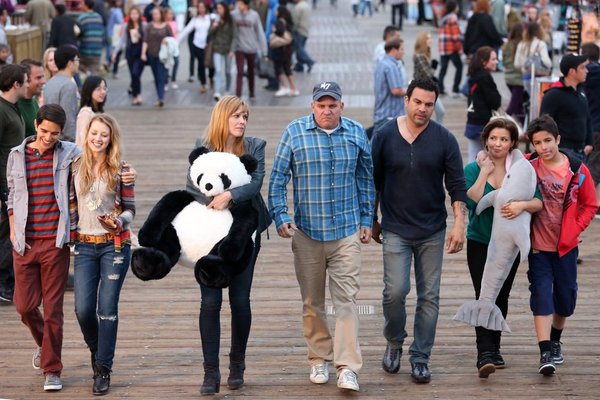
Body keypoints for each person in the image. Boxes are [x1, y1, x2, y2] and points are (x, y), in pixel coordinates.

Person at [268, 81, 375, 392]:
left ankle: (347, 367)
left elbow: (366, 179)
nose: (327, 110)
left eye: (332, 105)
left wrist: (368, 219)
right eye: (321, 105)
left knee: (346, 302)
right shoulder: (294, 132)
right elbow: (278, 179)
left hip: (346, 232)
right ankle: (318, 357)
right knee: (312, 302)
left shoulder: (355, 133)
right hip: (308, 233)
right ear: (312, 106)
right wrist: (281, 215)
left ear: (341, 106)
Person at [371, 78, 467, 384]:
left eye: (429, 104)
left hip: (432, 229)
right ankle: (394, 341)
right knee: (395, 292)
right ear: (406, 100)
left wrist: (459, 224)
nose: (423, 109)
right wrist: (370, 219)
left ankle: (421, 357)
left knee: (429, 297)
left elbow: (456, 187)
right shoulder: (384, 135)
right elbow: (372, 180)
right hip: (395, 227)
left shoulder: (444, 139)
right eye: (418, 102)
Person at [184, 95, 270, 394]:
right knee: (210, 302)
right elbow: (189, 187)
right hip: (209, 234)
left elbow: (256, 183)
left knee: (240, 300)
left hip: (245, 234)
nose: (242, 121)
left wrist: (229, 195)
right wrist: (210, 199)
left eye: (245, 115)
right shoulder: (203, 145)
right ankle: (210, 372)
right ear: (223, 117)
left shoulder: (255, 146)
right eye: (236, 115)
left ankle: (237, 363)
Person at [7, 104, 78, 392]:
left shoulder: (71, 153)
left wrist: (125, 172)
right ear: (35, 125)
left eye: (55, 133)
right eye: (44, 131)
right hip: (24, 242)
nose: (49, 137)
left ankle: (52, 369)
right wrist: (13, 229)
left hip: (54, 242)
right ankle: (44, 344)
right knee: (23, 306)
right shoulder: (16, 155)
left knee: (53, 310)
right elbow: (12, 195)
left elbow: (100, 163)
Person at [464, 118, 542, 378]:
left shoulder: (522, 169)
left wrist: (522, 205)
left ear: (512, 143)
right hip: (480, 241)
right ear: (485, 139)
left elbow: (538, 202)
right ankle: (483, 352)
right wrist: (485, 172)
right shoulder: (473, 169)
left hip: (509, 244)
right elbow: (473, 200)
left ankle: (495, 347)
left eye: (504, 139)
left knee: (502, 294)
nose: (498, 143)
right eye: (493, 138)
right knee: (483, 293)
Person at [525, 114, 598, 376]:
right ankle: (545, 350)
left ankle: (555, 339)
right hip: (538, 247)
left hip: (566, 247)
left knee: (565, 299)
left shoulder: (577, 169)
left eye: (547, 141)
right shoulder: (528, 166)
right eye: (537, 143)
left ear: (557, 139)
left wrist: (576, 228)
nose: (543, 147)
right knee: (541, 294)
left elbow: (591, 204)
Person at [70, 113, 135, 395]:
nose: (98, 138)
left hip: (114, 246)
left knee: (106, 310)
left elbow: (131, 209)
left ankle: (103, 369)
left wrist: (118, 222)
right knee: (83, 309)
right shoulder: (72, 166)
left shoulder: (121, 169)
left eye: (104, 135)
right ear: (86, 135)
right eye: (94, 133)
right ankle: (99, 353)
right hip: (83, 245)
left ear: (111, 139)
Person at [0, 64, 28, 304]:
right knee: (7, 233)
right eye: (25, 81)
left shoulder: (13, 107)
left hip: (15, 180)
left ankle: (9, 281)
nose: (28, 85)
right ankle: (3, 284)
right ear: (16, 84)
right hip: (4, 183)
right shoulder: (1, 110)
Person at [539, 54, 593, 160]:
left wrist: (589, 143)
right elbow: (544, 124)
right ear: (572, 71)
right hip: (563, 151)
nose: (586, 71)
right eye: (582, 67)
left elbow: (587, 118)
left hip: (582, 151)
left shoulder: (580, 91)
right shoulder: (553, 94)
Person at [464, 46, 502, 162]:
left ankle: (469, 179)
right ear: (484, 61)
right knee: (486, 160)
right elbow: (495, 102)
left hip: (472, 121)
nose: (496, 62)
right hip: (483, 124)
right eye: (493, 59)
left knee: (473, 158)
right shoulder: (485, 78)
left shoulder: (473, 76)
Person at [43, 45, 81, 142]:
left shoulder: (50, 82)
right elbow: (68, 117)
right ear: (70, 63)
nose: (78, 63)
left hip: (50, 136)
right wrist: (72, 143)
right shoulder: (68, 85)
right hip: (64, 142)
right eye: (76, 60)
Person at [231, 0, 267, 99]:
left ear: (246, 5)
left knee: (251, 71)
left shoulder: (254, 15)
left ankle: (252, 92)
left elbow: (260, 32)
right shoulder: (234, 15)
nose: (239, 6)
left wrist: (264, 50)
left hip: (252, 48)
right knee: (240, 71)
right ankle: (238, 95)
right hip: (239, 48)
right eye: (238, 3)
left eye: (241, 4)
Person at [177, 1, 213, 94]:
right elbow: (186, 31)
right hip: (197, 44)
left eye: (202, 7)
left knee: (210, 65)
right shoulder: (195, 19)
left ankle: (211, 76)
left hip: (208, 46)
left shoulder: (211, 18)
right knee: (201, 65)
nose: (201, 9)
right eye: (199, 7)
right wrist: (176, 41)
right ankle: (203, 84)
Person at [581, 43, 600, 217]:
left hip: (593, 125)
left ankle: (586, 202)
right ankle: (587, 203)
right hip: (596, 125)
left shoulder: (584, 76)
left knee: (592, 166)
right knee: (594, 166)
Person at [141, 6, 173, 108]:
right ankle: (160, 96)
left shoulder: (167, 26)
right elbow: (145, 40)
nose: (154, 15)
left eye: (156, 14)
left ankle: (161, 98)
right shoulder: (149, 26)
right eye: (153, 14)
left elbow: (172, 40)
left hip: (163, 56)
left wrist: (167, 41)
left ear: (161, 14)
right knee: (156, 76)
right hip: (152, 55)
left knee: (160, 76)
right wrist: (143, 53)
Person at [372, 38, 406, 134]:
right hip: (390, 116)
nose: (404, 52)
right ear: (394, 50)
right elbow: (395, 90)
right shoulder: (391, 66)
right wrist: (411, 90)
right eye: (402, 49)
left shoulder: (381, 63)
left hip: (380, 114)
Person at [413, 31, 444, 124]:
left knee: (439, 112)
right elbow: (428, 74)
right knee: (440, 111)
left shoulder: (426, 55)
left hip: (428, 87)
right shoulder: (419, 56)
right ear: (423, 41)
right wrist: (434, 67)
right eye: (428, 38)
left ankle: (437, 131)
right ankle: (438, 131)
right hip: (422, 89)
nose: (431, 40)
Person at [514, 22, 552, 94]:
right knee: (538, 100)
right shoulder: (540, 44)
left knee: (531, 98)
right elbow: (547, 62)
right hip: (539, 77)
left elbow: (516, 64)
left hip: (526, 77)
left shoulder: (521, 44)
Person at [119, 6, 145, 106]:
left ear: (139, 15)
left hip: (140, 54)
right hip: (130, 54)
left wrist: (140, 37)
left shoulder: (144, 25)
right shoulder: (127, 26)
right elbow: (122, 40)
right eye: (132, 14)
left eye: (136, 14)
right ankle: (136, 96)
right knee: (133, 75)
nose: (134, 16)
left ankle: (138, 95)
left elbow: (147, 40)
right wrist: (115, 52)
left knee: (135, 74)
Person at [270, 6, 298, 97]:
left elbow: (280, 31)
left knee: (279, 69)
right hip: (287, 49)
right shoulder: (288, 21)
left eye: (276, 11)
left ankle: (284, 87)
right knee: (287, 69)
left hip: (281, 50)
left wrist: (274, 30)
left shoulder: (280, 21)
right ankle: (293, 88)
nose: (275, 13)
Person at [210, 1, 235, 101]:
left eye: (220, 8)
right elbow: (209, 34)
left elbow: (234, 35)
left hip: (228, 48)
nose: (218, 10)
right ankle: (217, 91)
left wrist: (232, 49)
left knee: (228, 71)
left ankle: (228, 89)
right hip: (218, 48)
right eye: (217, 8)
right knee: (218, 70)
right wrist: (214, 27)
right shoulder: (215, 19)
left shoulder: (231, 20)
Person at [437, 0, 463, 97]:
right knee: (459, 67)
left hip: (443, 47)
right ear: (454, 7)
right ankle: (455, 88)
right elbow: (455, 35)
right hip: (451, 47)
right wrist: (459, 49)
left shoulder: (443, 18)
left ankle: (440, 88)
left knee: (443, 68)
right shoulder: (453, 17)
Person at [503, 23, 525, 123]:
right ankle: (501, 123)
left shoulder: (506, 44)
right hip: (518, 79)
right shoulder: (521, 45)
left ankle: (526, 125)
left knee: (518, 104)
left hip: (508, 77)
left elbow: (503, 61)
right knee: (513, 107)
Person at [76, 76, 108, 147]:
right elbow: (83, 140)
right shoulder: (86, 113)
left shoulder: (99, 111)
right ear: (89, 91)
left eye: (104, 88)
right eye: (98, 89)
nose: (103, 92)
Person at [18, 59, 46, 136]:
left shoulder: (34, 101)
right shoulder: (14, 105)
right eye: (38, 77)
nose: (43, 81)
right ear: (25, 79)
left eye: (43, 76)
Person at [77, 0, 105, 76]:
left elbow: (76, 33)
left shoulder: (82, 18)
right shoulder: (99, 17)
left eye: (81, 4)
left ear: (86, 5)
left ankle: (86, 74)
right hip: (97, 50)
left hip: (85, 51)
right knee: (95, 73)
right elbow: (102, 33)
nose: (80, 6)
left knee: (76, 64)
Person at [290, 0, 315, 73]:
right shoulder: (306, 5)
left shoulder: (298, 7)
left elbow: (295, 21)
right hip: (305, 30)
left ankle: (309, 61)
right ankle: (299, 65)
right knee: (300, 48)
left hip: (299, 30)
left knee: (299, 48)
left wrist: (292, 29)